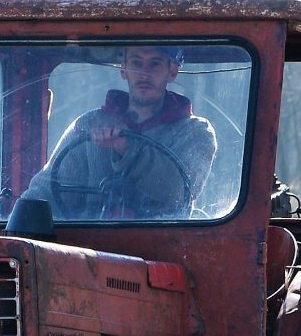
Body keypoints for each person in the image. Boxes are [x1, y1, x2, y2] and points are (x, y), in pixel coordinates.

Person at [20, 45, 219, 221]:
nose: (143, 73)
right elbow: (48, 188)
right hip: (87, 247)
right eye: (136, 62)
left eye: (155, 64)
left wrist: (127, 148)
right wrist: (21, 221)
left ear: (172, 71)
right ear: (123, 69)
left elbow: (178, 190)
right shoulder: (90, 123)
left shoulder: (195, 133)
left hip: (164, 245)